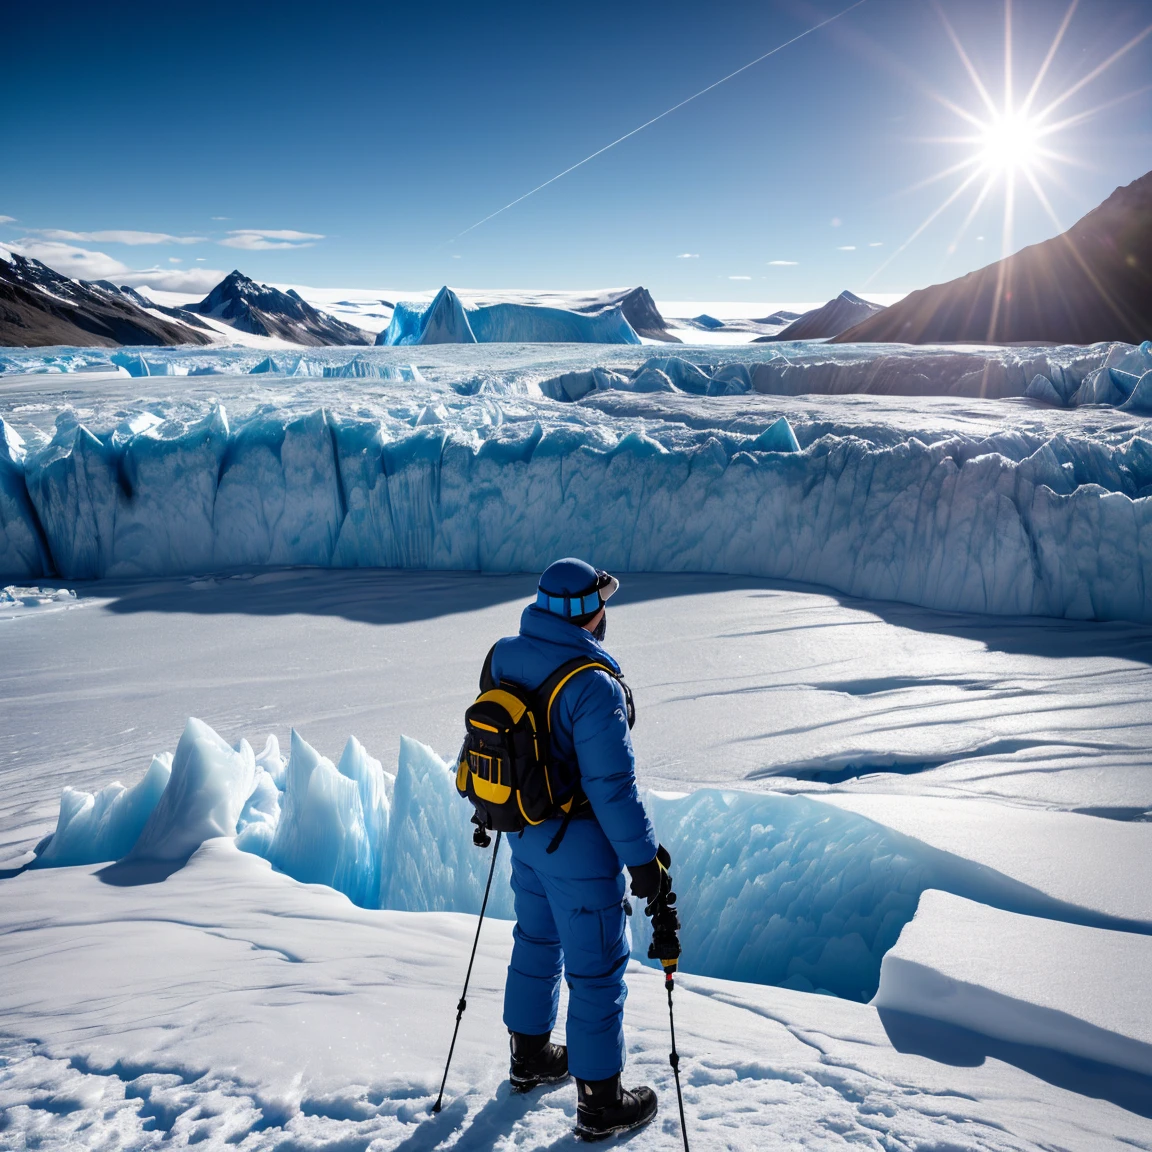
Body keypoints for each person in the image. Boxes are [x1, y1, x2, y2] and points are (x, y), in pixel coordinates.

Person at [482, 557, 673, 1141]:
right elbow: (612, 790)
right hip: (581, 848)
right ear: (588, 612)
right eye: (602, 603)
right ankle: (600, 1102)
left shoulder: (502, 654)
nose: (605, 612)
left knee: (535, 939)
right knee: (596, 970)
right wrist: (645, 864)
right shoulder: (592, 685)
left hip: (525, 832)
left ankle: (530, 1057)